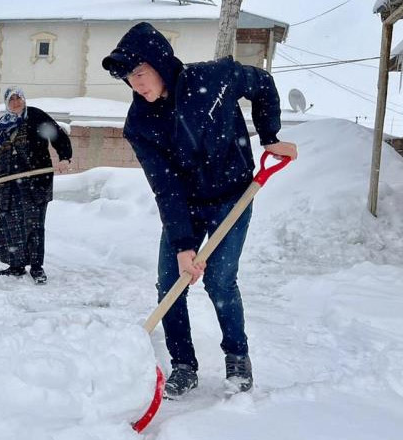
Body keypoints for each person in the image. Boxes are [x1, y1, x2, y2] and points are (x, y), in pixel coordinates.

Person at [102, 22, 298, 397]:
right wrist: (183, 244)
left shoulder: (215, 78)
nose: (136, 84)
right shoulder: (139, 123)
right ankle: (183, 365)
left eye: (140, 73)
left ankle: (237, 358)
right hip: (186, 203)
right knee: (170, 283)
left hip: (232, 196)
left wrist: (270, 135)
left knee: (219, 281)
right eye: (129, 78)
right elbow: (165, 185)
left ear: (159, 64)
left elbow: (262, 85)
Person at [0, 86, 72, 285]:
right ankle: (16, 264)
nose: (16, 102)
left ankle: (36, 267)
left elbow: (58, 135)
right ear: (6, 103)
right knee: (10, 224)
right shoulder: (2, 124)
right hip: (7, 184)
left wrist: (64, 157)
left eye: (19, 98)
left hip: (33, 183)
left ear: (24, 99)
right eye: (11, 99)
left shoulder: (35, 116)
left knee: (33, 224)